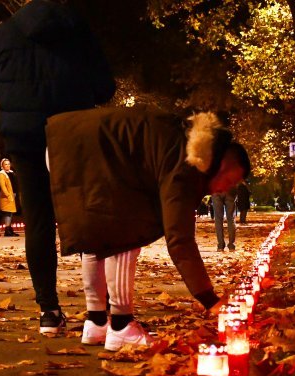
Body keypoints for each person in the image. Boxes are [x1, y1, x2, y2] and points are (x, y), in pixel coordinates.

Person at [44, 107, 250, 350]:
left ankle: (96, 322)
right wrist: (210, 299)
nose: (225, 190)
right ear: (221, 164)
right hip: (90, 148)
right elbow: (180, 239)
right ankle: (121, 325)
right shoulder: (186, 165)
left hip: (69, 143)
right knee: (124, 231)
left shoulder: (182, 143)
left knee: (97, 234)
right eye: (230, 181)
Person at [0, 0, 116, 336]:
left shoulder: (4, 34)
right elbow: (106, 87)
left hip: (25, 138)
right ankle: (98, 312)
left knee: (37, 221)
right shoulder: (79, 32)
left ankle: (49, 311)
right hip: (72, 133)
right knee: (84, 217)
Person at [0, 158, 19, 236]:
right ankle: (7, 230)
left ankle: (9, 229)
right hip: (6, 196)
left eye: (8, 164)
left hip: (13, 195)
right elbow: (3, 187)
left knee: (10, 213)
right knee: (7, 213)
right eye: (6, 164)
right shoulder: (2, 174)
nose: (8, 165)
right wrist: (8, 195)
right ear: (2, 165)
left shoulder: (11, 173)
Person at [212, 182, 237, 252]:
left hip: (216, 190)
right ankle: (231, 245)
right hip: (230, 190)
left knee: (218, 219)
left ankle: (220, 245)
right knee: (231, 219)